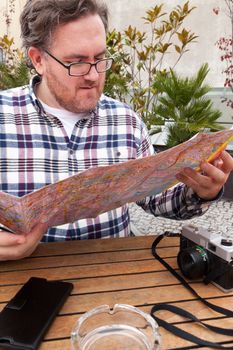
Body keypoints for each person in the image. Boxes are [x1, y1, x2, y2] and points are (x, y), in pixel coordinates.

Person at [0, 0, 233, 261]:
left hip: (114, 281)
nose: (93, 75)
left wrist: (202, 190)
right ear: (38, 60)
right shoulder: (4, 117)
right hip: (22, 284)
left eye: (99, 59)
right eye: (76, 62)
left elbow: (158, 200)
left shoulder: (125, 121)